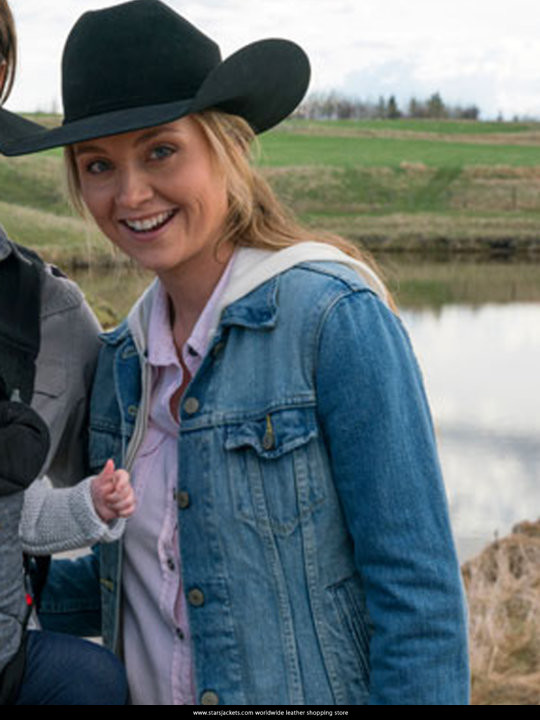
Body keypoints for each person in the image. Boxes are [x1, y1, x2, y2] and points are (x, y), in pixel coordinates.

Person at [0, 0, 470, 706]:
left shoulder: (333, 321)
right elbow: (145, 579)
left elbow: (418, 601)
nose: (130, 194)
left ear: (226, 146)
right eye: (99, 165)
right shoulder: (121, 364)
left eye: (161, 151)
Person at [0, 0, 130, 705]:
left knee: (98, 685)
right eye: (102, 165)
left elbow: (45, 513)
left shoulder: (55, 316)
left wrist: (97, 506)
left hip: (14, 665)